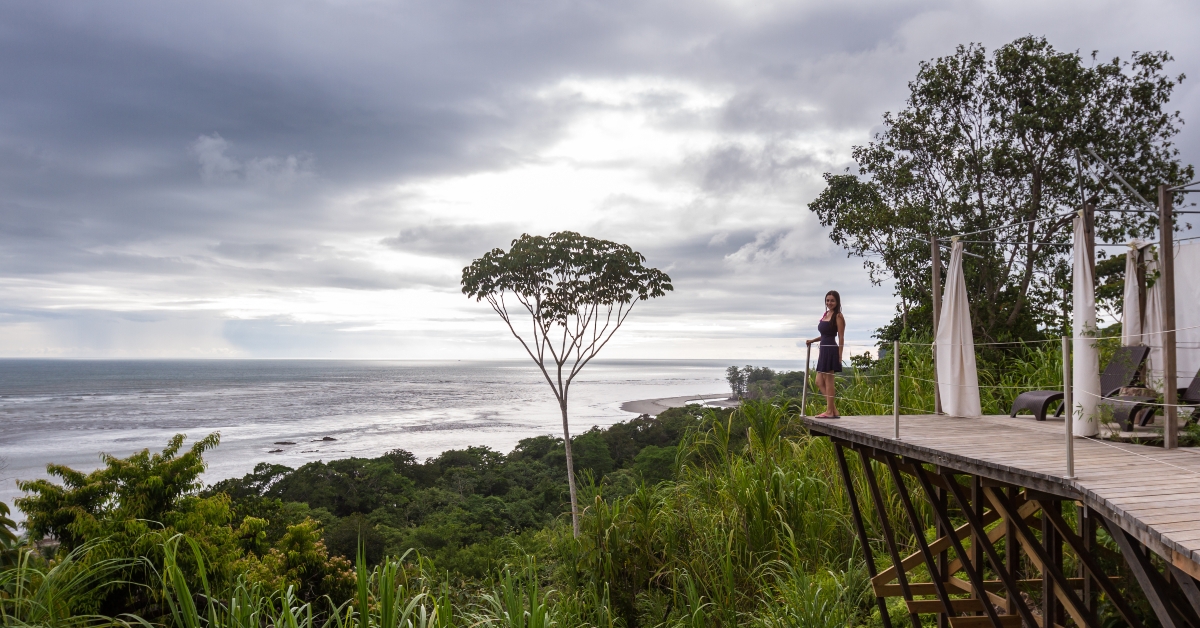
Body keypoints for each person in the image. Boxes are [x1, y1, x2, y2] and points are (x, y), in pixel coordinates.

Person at [806, 290, 845, 418]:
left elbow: (841, 337)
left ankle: (829, 412)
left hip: (831, 350)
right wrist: (812, 340)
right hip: (823, 349)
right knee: (818, 382)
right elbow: (824, 335)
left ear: (837, 301)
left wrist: (839, 355)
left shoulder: (838, 316)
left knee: (829, 381)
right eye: (827, 300)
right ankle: (833, 410)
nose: (829, 303)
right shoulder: (826, 314)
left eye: (832, 300)